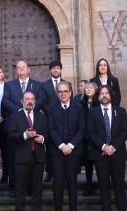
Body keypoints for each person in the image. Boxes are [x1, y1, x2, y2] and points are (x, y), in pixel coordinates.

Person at [88, 86, 127, 211]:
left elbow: (125, 131)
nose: (104, 95)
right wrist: (104, 147)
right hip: (100, 155)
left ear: (111, 95)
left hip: (118, 155)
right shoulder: (92, 112)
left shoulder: (120, 111)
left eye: (106, 93)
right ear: (98, 96)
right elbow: (91, 133)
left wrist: (113, 147)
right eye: (101, 93)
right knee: (104, 187)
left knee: (119, 186)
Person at [49, 81, 86, 211]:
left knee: (72, 185)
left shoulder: (79, 107)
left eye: (65, 91)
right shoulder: (52, 108)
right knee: (57, 185)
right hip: (56, 153)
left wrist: (70, 145)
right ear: (57, 94)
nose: (63, 94)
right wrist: (61, 145)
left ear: (70, 93)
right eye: (60, 92)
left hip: (73, 152)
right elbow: (51, 128)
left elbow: (82, 129)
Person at [7, 91, 46, 211]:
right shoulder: (15, 116)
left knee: (37, 190)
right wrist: (25, 135)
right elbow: (10, 135)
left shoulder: (41, 115)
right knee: (20, 190)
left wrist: (43, 138)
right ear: (22, 101)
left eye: (32, 99)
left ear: (35, 101)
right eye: (27, 99)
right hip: (21, 158)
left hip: (38, 158)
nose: (30, 101)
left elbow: (48, 134)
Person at [75, 80, 98, 196]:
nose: (88, 89)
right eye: (86, 88)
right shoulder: (80, 103)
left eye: (90, 87)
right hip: (85, 140)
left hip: (97, 140)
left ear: (95, 90)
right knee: (88, 166)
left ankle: (101, 186)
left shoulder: (99, 103)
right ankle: (89, 187)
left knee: (99, 166)